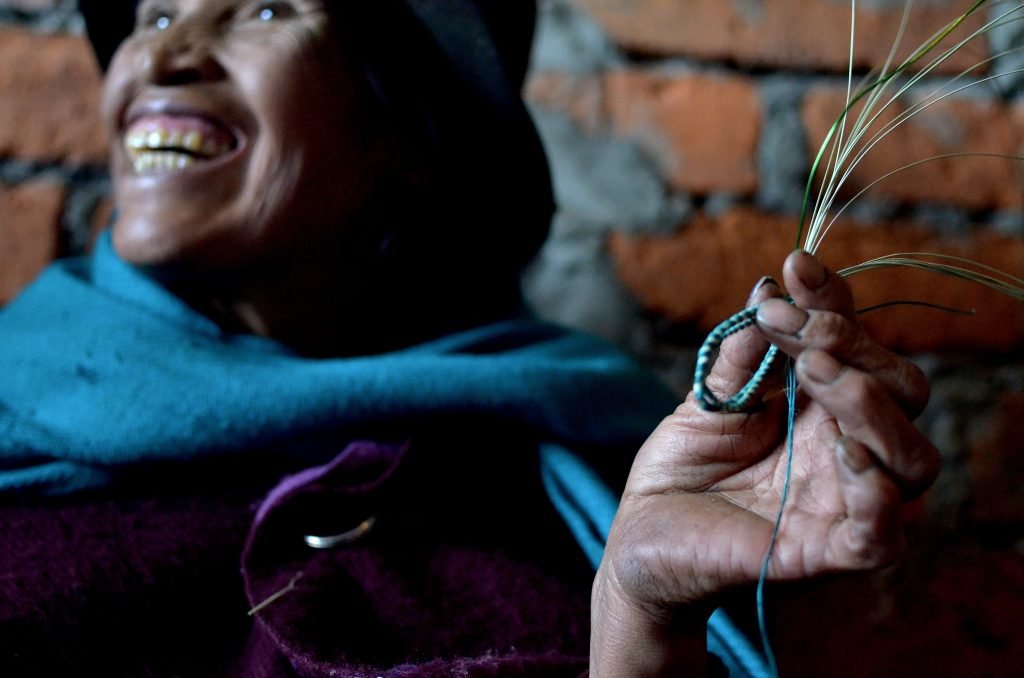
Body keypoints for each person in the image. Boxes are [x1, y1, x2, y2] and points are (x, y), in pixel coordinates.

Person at [0, 0, 938, 675]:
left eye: (267, 8)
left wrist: (638, 615)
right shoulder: (19, 398)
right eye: (155, 15)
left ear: (404, 139)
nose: (168, 56)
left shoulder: (548, 472)